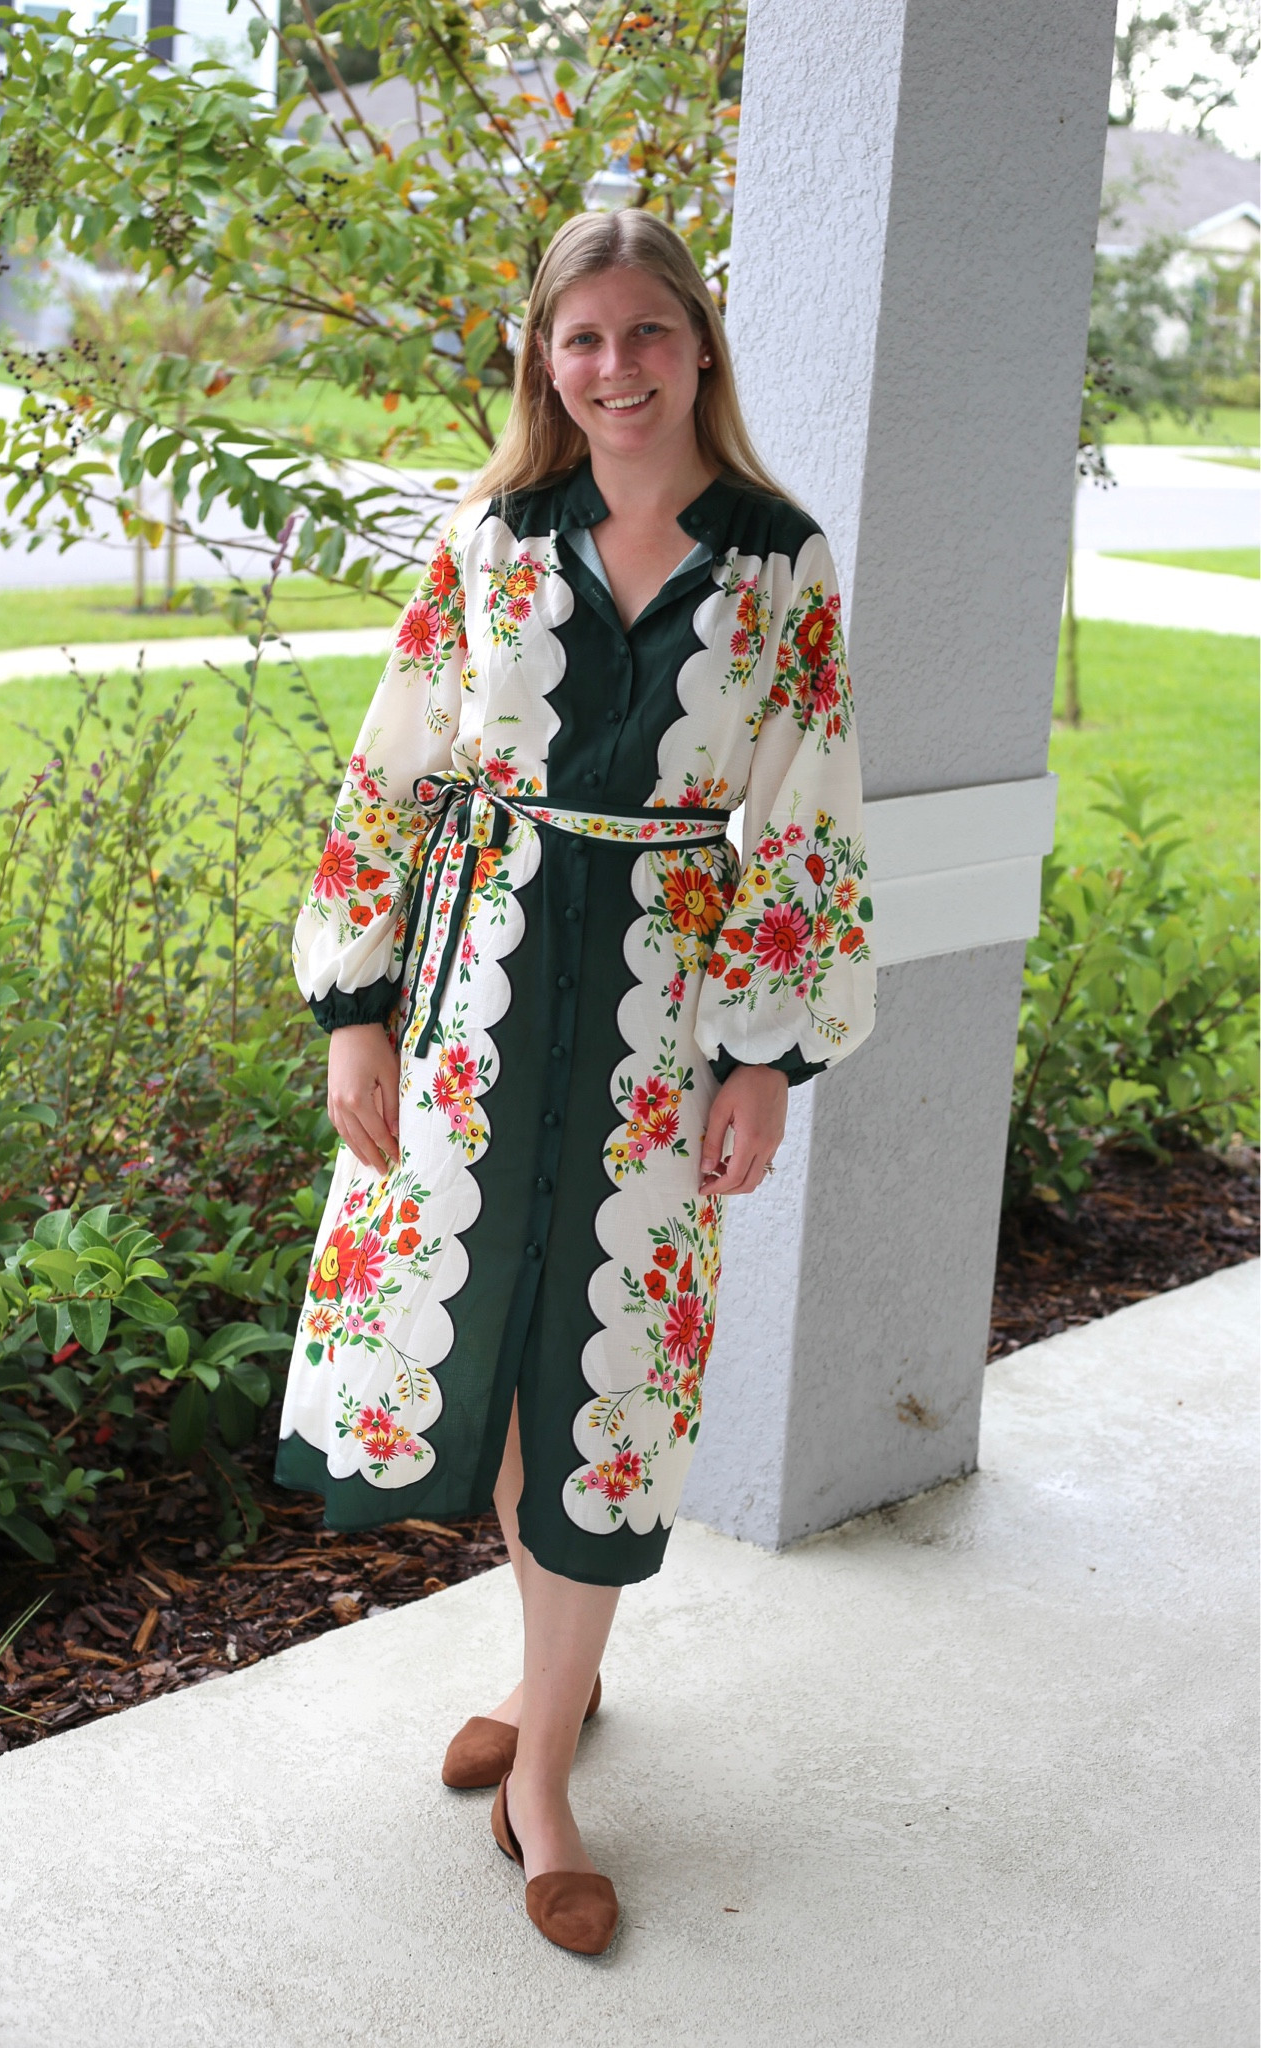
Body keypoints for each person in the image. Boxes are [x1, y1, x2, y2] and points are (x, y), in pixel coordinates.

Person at [277, 207, 877, 1955]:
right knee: (486, 1346)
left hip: (660, 1025)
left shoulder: (776, 561)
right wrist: (357, 1008)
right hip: (475, 1000)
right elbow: (393, 770)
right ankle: (555, 1687)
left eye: (646, 333)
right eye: (582, 339)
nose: (617, 370)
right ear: (544, 359)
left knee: (603, 1371)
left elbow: (809, 814)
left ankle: (540, 1770)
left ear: (700, 345)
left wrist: (763, 1059)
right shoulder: (489, 535)